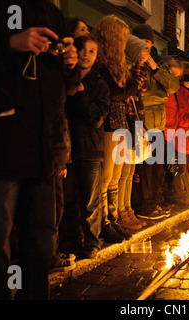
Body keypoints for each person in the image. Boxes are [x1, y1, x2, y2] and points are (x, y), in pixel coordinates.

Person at [0, 0, 78, 299]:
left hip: (45, 145)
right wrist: (12, 42)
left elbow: (64, 81)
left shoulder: (51, 12)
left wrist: (69, 63)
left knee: (41, 238)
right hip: (0, 142)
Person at [63, 35, 110, 259]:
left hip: (90, 148)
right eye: (82, 50)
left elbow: (96, 118)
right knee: (70, 199)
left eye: (92, 51)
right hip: (69, 149)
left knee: (91, 201)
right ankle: (74, 241)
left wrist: (80, 94)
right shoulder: (64, 79)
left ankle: (92, 241)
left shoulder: (99, 84)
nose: (85, 55)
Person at [93, 15, 139, 242]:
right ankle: (103, 223)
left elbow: (130, 87)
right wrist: (128, 90)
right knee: (107, 175)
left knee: (117, 175)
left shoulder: (119, 64)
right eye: (122, 37)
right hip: (109, 122)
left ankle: (112, 219)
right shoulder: (99, 63)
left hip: (121, 122)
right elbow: (114, 92)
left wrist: (128, 88)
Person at [135, 56, 183, 220]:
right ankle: (146, 207)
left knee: (158, 169)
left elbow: (173, 87)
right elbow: (142, 98)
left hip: (158, 127)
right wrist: (161, 97)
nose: (174, 77)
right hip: (146, 126)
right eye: (173, 73)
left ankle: (154, 202)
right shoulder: (142, 71)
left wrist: (157, 70)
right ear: (167, 66)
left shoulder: (158, 72)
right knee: (147, 171)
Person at [116, 34, 150, 231]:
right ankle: (121, 211)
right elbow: (130, 92)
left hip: (135, 121)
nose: (144, 59)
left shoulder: (140, 71)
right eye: (142, 54)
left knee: (129, 171)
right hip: (126, 120)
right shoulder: (129, 70)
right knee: (122, 172)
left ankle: (127, 209)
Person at [164, 68, 189, 206]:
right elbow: (180, 118)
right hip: (181, 137)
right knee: (182, 168)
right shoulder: (178, 95)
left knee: (188, 168)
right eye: (188, 82)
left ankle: (187, 191)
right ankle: (180, 194)